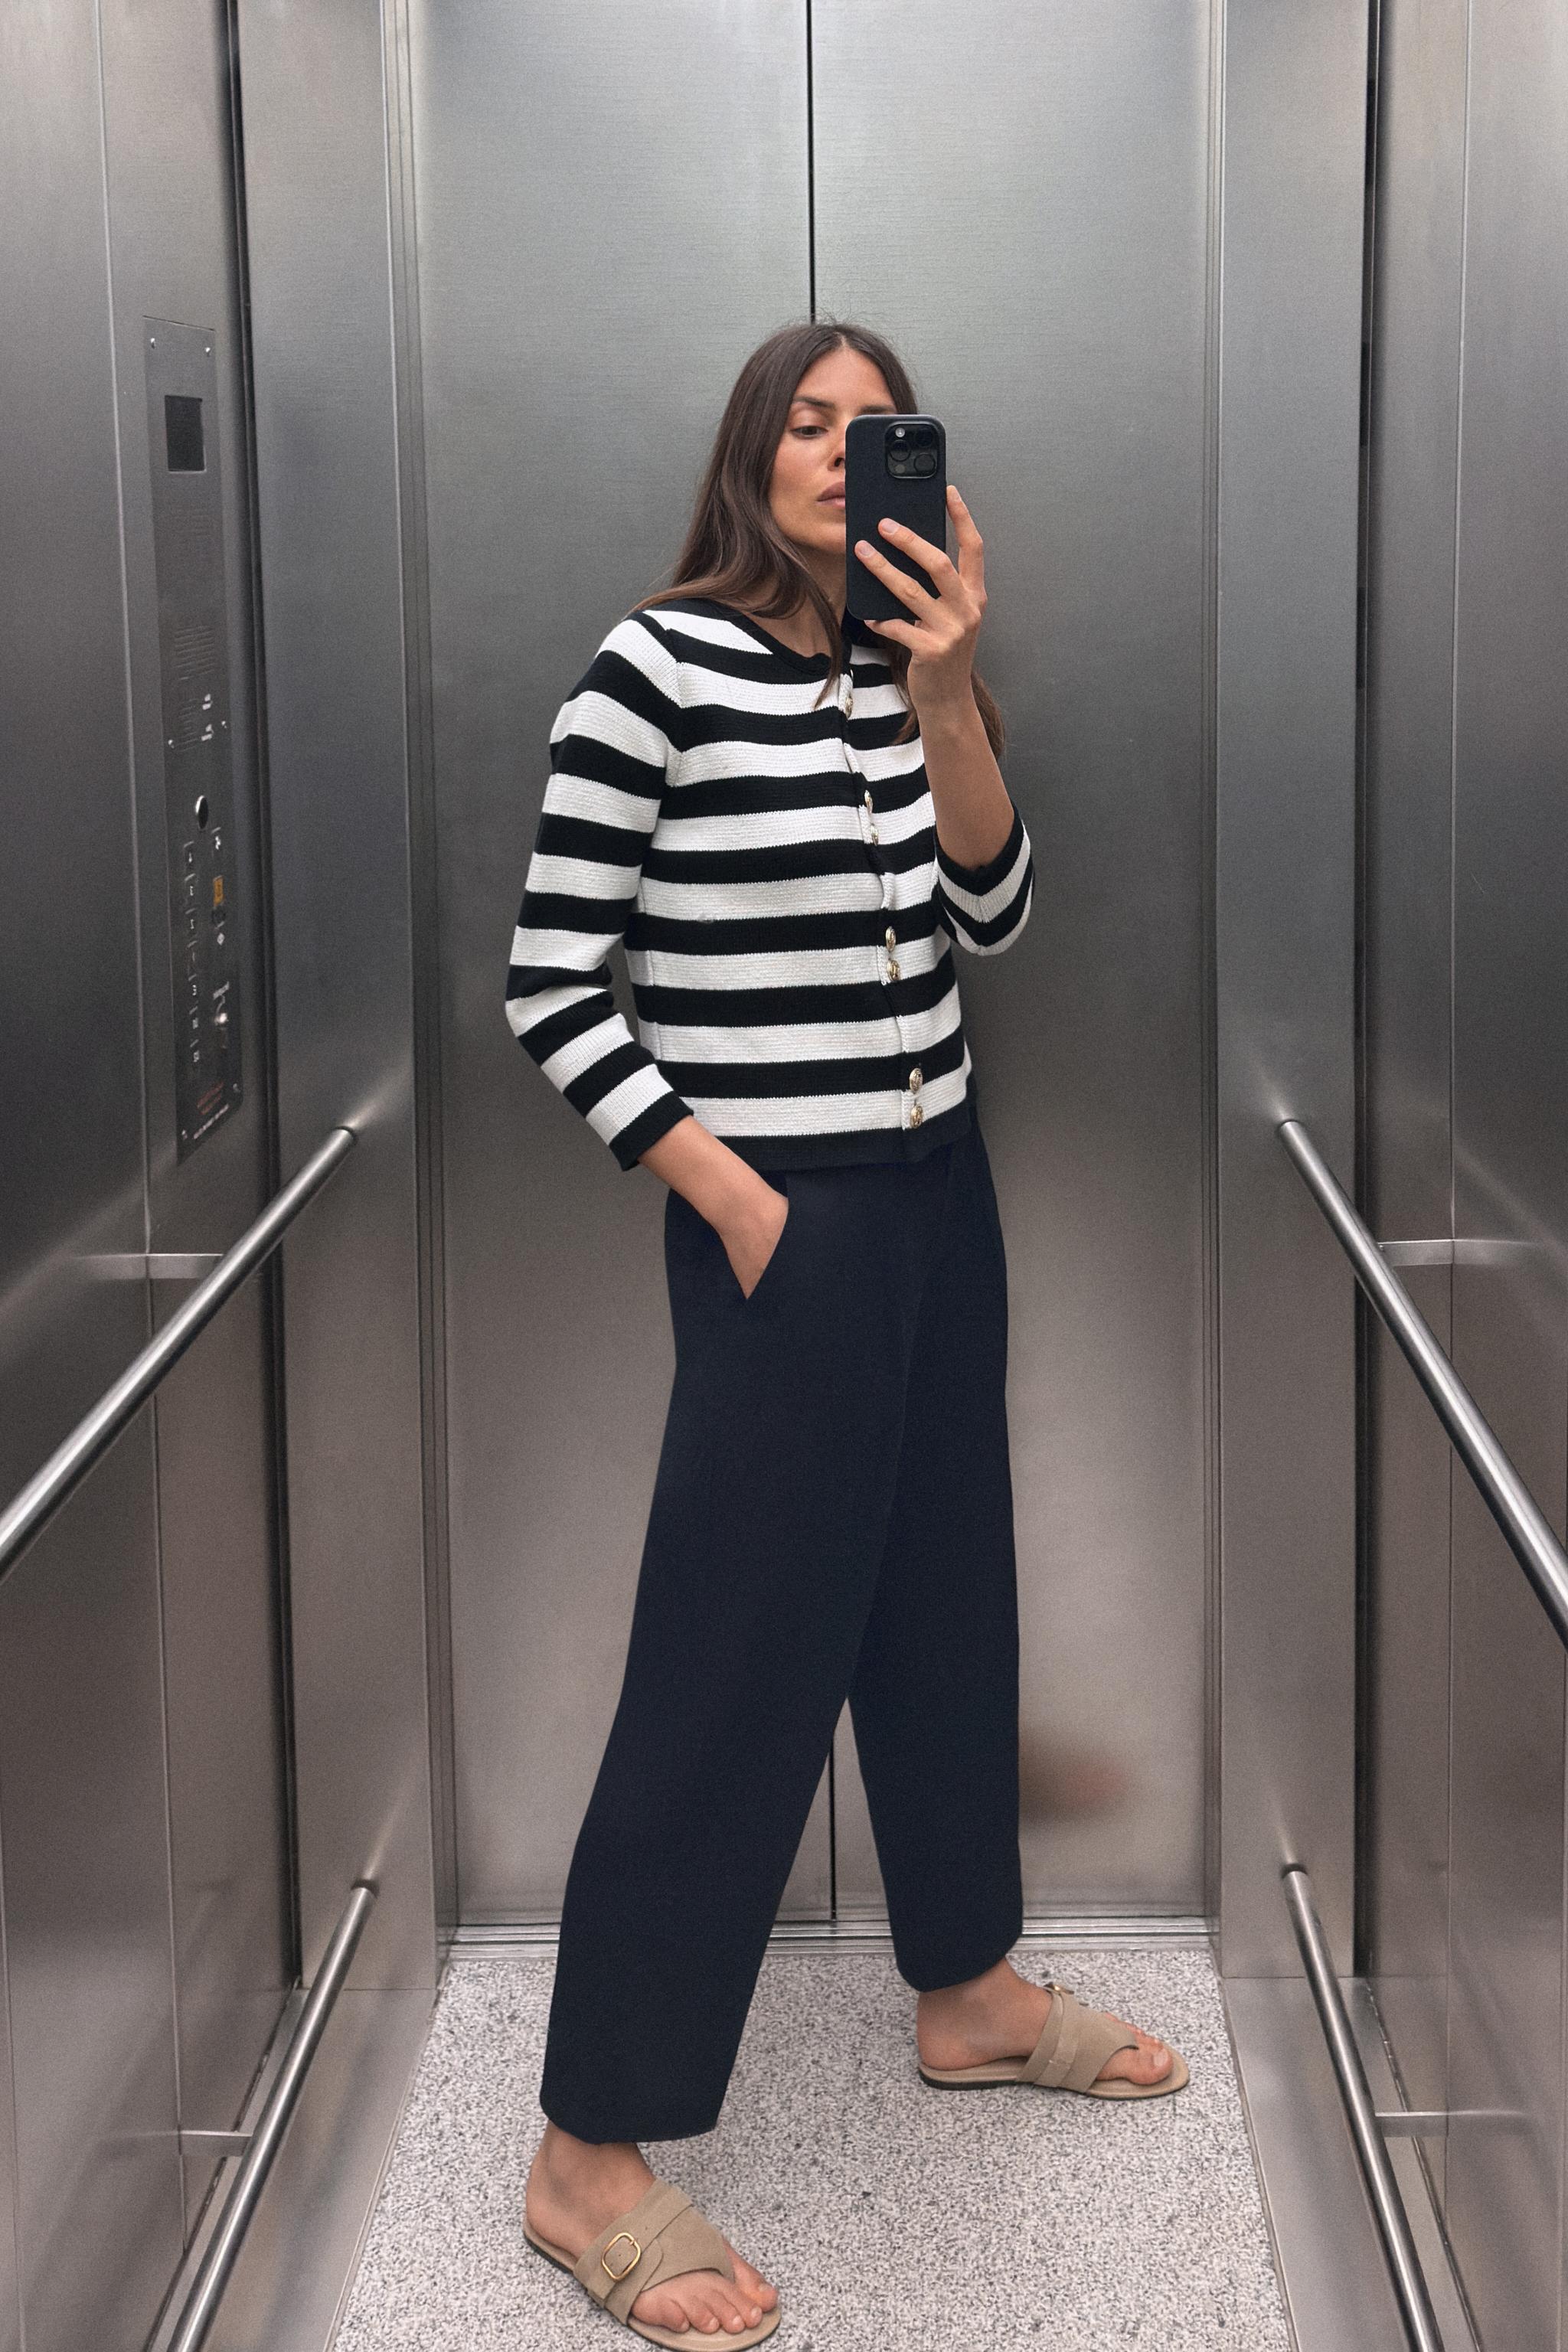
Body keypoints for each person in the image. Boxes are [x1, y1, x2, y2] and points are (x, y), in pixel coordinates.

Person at [505, 321, 1187, 2348]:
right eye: (804, 423)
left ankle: (965, 1990)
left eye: (873, 426)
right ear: (752, 455)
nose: (836, 451)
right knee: (730, 1668)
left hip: (941, 1201)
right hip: (779, 1225)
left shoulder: (909, 675)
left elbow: (995, 915)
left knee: (944, 1600)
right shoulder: (654, 669)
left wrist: (950, 686)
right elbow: (553, 984)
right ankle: (588, 2149)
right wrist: (739, 1206)